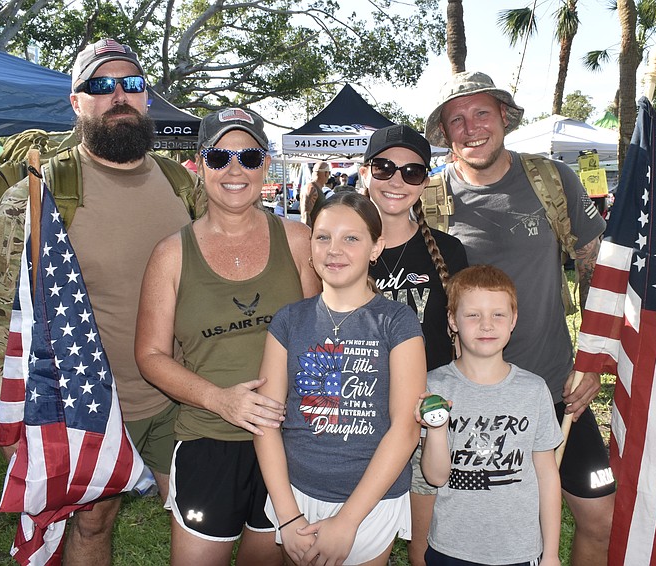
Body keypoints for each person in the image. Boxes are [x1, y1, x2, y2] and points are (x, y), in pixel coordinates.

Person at [0, 38, 203, 566]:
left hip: (177, 395)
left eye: (132, 84)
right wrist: (0, 416)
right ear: (76, 103)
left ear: (146, 97)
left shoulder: (180, 182)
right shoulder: (40, 191)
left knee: (199, 516)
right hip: (89, 404)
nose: (118, 95)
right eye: (100, 85)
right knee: (92, 524)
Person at [424, 71, 613, 565]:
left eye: (482, 113)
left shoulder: (551, 180)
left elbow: (596, 268)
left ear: (504, 117)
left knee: (600, 519)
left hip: (553, 389)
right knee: (474, 534)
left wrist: (592, 360)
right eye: (457, 119)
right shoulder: (428, 201)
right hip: (465, 402)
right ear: (445, 134)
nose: (471, 128)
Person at [134, 107, 320, 566]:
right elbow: (150, 355)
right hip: (208, 439)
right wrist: (221, 401)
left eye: (249, 157)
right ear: (200, 164)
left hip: (286, 443)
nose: (235, 170)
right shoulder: (171, 253)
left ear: (266, 164)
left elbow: (323, 338)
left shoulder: (300, 241)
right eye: (220, 157)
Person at [254, 192, 426, 566]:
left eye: (351, 238)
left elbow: (406, 429)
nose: (335, 249)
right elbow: (264, 421)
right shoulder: (289, 320)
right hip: (297, 495)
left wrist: (348, 521)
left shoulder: (397, 321)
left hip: (369, 501)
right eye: (323, 236)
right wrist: (287, 516)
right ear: (310, 244)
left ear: (375, 247)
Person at [362, 124, 468, 566]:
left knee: (425, 550)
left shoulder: (449, 250)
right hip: (360, 415)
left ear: (426, 180)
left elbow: (464, 341)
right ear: (365, 171)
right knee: (364, 543)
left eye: (411, 171)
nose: (396, 181)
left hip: (427, 419)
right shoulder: (339, 245)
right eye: (385, 167)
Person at [419, 265, 563, 566]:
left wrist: (550, 553)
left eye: (498, 314)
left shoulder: (534, 390)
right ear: (452, 320)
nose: (486, 325)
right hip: (451, 548)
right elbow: (435, 476)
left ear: (513, 320)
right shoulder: (434, 388)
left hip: (519, 551)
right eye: (473, 315)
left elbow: (547, 476)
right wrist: (436, 428)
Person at [300, 160, 330, 225]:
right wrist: (308, 232)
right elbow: (306, 214)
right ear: (326, 173)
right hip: (311, 230)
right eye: (328, 173)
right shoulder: (312, 188)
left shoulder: (315, 188)